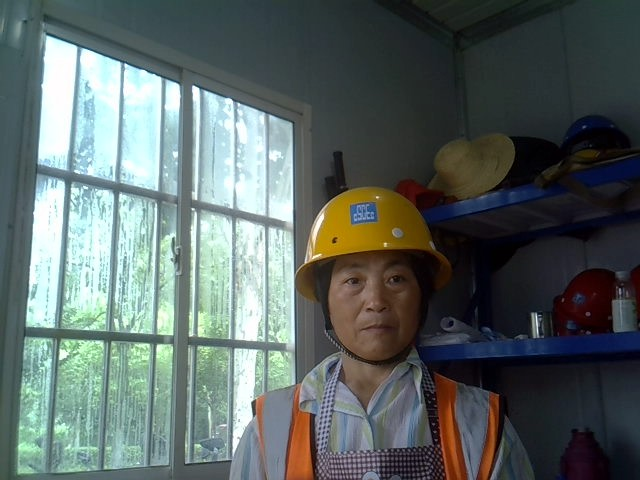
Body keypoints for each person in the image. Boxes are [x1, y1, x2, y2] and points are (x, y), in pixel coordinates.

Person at [229, 186, 534, 479]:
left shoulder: (481, 421)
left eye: (396, 279)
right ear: (325, 301)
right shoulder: (271, 428)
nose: (376, 301)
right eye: (353, 281)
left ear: (421, 297)